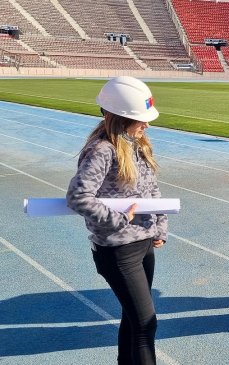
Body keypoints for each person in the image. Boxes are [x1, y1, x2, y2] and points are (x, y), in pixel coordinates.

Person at [67, 76, 167, 364]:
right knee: (146, 324)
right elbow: (78, 196)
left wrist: (159, 226)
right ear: (120, 117)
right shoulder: (102, 150)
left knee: (134, 321)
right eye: (140, 119)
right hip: (119, 251)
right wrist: (119, 218)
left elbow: (152, 190)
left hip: (144, 244)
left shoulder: (137, 143)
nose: (147, 125)